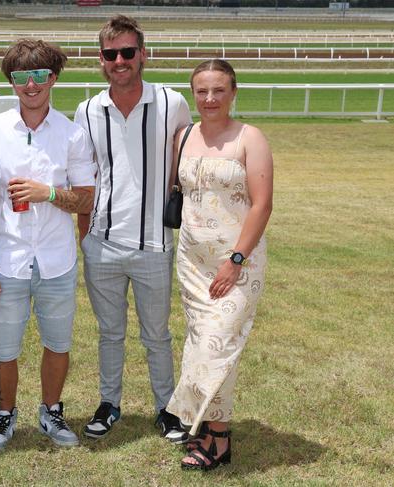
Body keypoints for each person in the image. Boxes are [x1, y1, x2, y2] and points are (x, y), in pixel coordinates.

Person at [73, 15, 192, 442]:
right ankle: (109, 404)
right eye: (111, 54)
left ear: (143, 54)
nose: (119, 61)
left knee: (157, 335)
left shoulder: (172, 102)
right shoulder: (88, 109)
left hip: (153, 245)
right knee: (109, 333)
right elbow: (84, 178)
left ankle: (167, 408)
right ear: (101, 60)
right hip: (101, 244)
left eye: (127, 52)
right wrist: (83, 237)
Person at [0, 39, 95, 453]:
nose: (30, 85)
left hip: (57, 260)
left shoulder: (72, 134)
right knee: (4, 348)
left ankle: (51, 411)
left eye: (39, 75)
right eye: (21, 76)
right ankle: (5, 414)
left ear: (53, 78)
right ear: (11, 82)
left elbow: (86, 199)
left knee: (57, 343)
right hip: (7, 259)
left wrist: (48, 193)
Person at [166, 59, 273, 471]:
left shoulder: (251, 138)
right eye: (202, 91)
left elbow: (262, 205)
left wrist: (236, 260)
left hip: (237, 263)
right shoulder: (183, 136)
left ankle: (218, 437)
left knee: (218, 342)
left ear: (233, 92)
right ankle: (213, 431)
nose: (210, 99)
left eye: (219, 90)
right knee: (202, 345)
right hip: (192, 261)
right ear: (194, 94)